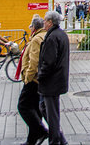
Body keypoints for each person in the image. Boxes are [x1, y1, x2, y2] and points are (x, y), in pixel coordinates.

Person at [38, 11, 69, 145]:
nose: (43, 23)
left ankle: (55, 140)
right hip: (58, 78)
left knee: (51, 113)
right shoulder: (61, 34)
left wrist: (41, 75)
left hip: (51, 81)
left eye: (45, 20)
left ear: (50, 22)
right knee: (45, 108)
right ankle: (59, 138)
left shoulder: (52, 37)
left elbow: (49, 61)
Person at [17, 17, 48, 145]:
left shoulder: (36, 39)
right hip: (41, 80)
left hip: (33, 79)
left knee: (23, 106)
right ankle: (32, 140)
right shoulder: (45, 35)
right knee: (34, 108)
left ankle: (42, 131)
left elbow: (34, 61)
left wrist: (28, 77)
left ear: (34, 28)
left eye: (30, 27)